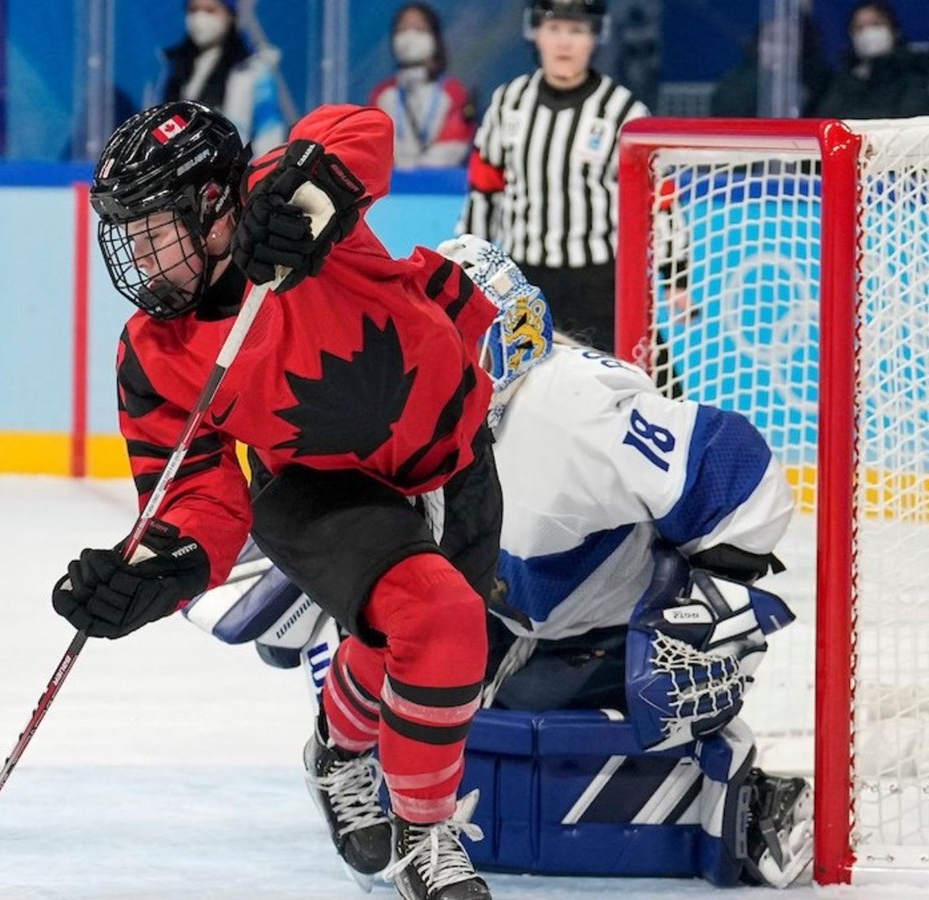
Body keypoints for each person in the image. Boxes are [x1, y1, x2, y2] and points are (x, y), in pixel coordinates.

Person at [187, 237, 814, 890]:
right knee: (387, 625)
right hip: (497, 602)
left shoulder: (572, 411)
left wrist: (711, 611)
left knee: (642, 688)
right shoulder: (391, 409)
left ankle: (733, 791)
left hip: (600, 625)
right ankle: (340, 756)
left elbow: (739, 472)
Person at [52, 99, 502, 899]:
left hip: (457, 457)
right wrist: (154, 572)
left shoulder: (288, 205)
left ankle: (334, 753)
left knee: (412, 642)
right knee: (441, 617)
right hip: (320, 492)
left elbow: (361, 128)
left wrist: (305, 189)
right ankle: (426, 838)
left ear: (218, 208)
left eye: (157, 229)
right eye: (130, 239)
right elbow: (194, 496)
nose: (143, 261)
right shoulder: (153, 352)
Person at [459, 0, 648, 354]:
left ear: (595, 37)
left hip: (599, 284)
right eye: (554, 28)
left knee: (626, 384)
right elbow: (484, 190)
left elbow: (656, 202)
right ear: (536, 33)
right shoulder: (508, 102)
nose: (564, 43)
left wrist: (676, 277)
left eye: (576, 31)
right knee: (517, 389)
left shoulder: (623, 111)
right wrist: (470, 263)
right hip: (524, 280)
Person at [158, 0, 287, 154]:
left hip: (235, 171)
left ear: (230, 15)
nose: (200, 18)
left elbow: (269, 135)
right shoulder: (174, 69)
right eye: (193, 10)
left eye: (210, 10)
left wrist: (255, 175)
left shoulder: (252, 70)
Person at [367, 3, 476, 170]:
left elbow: (455, 143)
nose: (410, 36)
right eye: (402, 29)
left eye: (419, 28)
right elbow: (373, 142)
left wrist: (418, 173)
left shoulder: (454, 92)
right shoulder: (382, 93)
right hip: (392, 187)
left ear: (434, 37)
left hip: (439, 187)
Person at [811, 1, 929, 121]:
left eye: (876, 24)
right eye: (859, 28)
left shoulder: (915, 75)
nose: (868, 33)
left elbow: (911, 119)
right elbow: (825, 118)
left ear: (894, 31)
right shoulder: (843, 81)